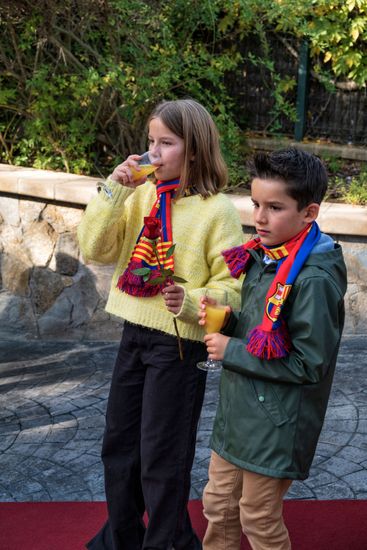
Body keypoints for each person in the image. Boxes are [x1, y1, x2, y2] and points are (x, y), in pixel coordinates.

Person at [77, 98, 244, 550]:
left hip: (179, 345)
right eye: (150, 141)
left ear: (193, 150)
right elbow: (95, 248)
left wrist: (189, 302)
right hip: (133, 333)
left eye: (165, 143)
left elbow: (234, 292)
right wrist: (114, 191)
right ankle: (123, 538)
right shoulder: (142, 193)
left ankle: (166, 543)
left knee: (161, 456)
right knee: (119, 447)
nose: (153, 152)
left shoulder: (219, 212)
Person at [199, 148, 347, 550]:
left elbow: (308, 365)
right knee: (218, 506)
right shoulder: (267, 257)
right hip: (239, 414)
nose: (259, 218)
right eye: (256, 204)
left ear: (309, 213)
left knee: (258, 516)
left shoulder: (313, 278)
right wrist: (229, 320)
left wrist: (231, 350)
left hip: (276, 423)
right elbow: (263, 331)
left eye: (275, 207)